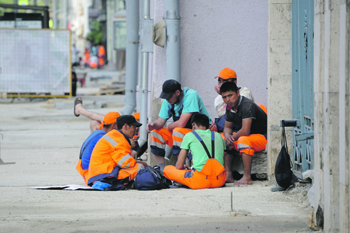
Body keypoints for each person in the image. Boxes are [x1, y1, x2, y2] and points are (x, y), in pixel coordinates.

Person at [146, 79, 211, 171]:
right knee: (156, 132)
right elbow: (161, 121)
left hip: (201, 134)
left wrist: (169, 126)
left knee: (177, 131)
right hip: (184, 134)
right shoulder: (169, 101)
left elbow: (181, 123)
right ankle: (162, 169)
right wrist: (153, 125)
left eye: (169, 97)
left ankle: (183, 167)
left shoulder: (191, 95)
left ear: (177, 92)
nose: (167, 100)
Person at [220, 82, 267, 185]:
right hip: (250, 136)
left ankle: (247, 177)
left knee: (242, 140)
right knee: (222, 138)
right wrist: (228, 137)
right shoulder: (229, 107)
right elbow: (227, 127)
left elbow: (245, 130)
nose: (227, 99)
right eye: (224, 97)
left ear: (237, 93)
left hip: (263, 137)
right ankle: (228, 175)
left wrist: (232, 137)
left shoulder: (247, 105)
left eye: (230, 95)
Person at [163, 113, 226, 189]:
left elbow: (179, 166)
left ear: (194, 125)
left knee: (167, 169)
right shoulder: (218, 135)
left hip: (199, 181)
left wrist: (184, 167)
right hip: (219, 181)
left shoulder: (190, 135)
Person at [86, 115, 147, 190]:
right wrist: (140, 163)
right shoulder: (119, 139)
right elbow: (126, 163)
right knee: (140, 168)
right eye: (134, 127)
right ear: (125, 126)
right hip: (104, 176)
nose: (135, 131)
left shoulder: (115, 135)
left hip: (98, 174)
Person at [76, 112, 120, 184]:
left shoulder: (97, 133)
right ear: (114, 126)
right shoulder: (105, 138)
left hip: (87, 174)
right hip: (93, 176)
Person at [210, 68, 254, 133]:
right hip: (225, 132)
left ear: (234, 82)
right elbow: (217, 122)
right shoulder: (217, 99)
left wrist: (224, 94)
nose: (221, 85)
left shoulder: (244, 91)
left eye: (224, 81)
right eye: (219, 81)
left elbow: (236, 113)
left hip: (242, 130)